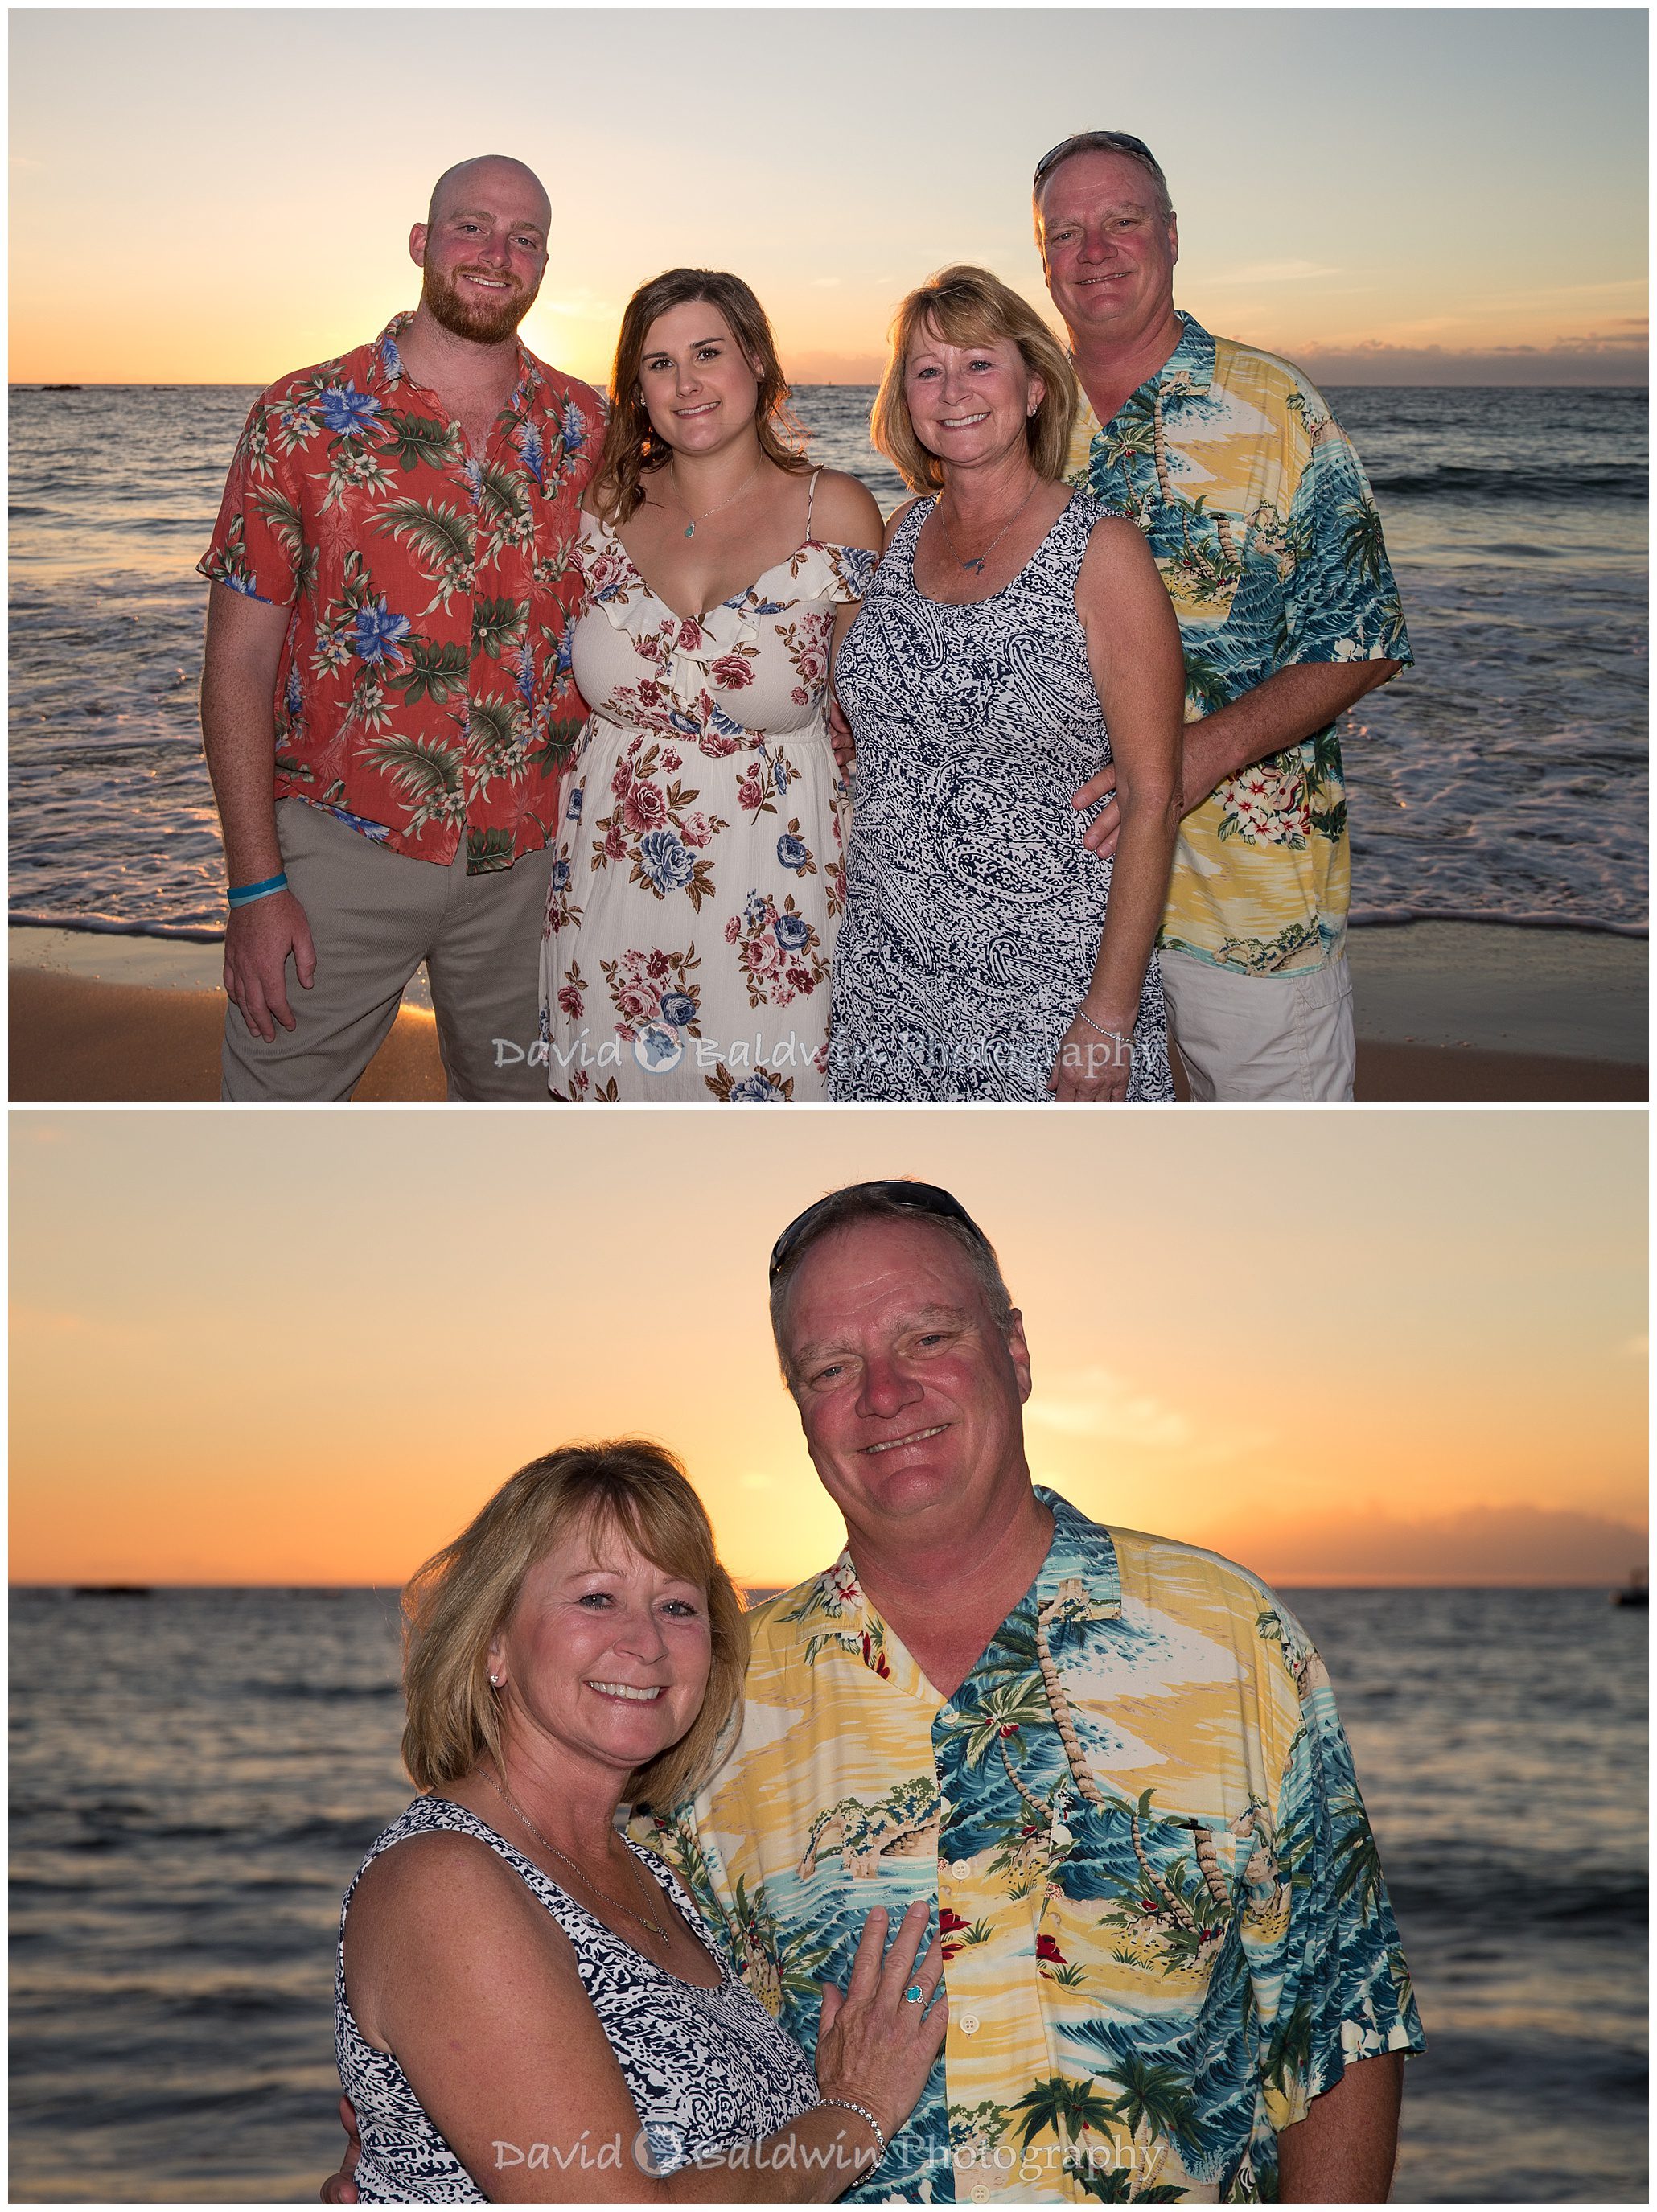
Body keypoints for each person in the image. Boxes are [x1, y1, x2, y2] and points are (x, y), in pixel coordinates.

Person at [638, 1182, 1424, 2201]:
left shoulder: (1227, 1635)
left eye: (926, 1336)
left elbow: (1336, 2016)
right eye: (831, 1366)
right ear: (799, 1409)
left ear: (1013, 1352)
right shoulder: (715, 1692)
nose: (882, 1393)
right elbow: (626, 2041)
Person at [334, 1440, 947, 2201]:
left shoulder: (651, 1875)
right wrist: (857, 2111)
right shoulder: (445, 1881)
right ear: (493, 1641)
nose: (647, 1642)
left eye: (677, 1606)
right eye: (597, 1598)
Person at [199, 155, 603, 1100]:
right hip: (339, 854)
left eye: (525, 238)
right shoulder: (301, 417)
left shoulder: (588, 426)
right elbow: (237, 664)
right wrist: (255, 885)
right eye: (471, 227)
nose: (496, 253)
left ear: (545, 266)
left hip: (534, 870)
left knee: (524, 1142)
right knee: (270, 1128)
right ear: (423, 243)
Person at [1034, 130, 1412, 1101]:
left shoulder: (1274, 407)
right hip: (1059, 901)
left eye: (1120, 221)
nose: (1094, 250)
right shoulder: (1020, 420)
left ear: (1168, 235)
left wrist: (1200, 753)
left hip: (1243, 907)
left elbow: (1359, 640)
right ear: (1041, 259)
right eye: (1065, 232)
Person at [827, 268, 1184, 1104]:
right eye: (926, 370)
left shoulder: (1102, 553)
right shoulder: (901, 528)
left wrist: (1107, 1017)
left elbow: (1153, 793)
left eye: (978, 364)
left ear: (1032, 388)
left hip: (1048, 981)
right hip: (885, 971)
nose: (951, 391)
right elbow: (883, 698)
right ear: (904, 399)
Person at [538, 270, 882, 1100]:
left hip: (777, 897)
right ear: (635, 391)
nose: (685, 384)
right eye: (658, 364)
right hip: (611, 892)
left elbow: (873, 709)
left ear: (757, 361)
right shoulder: (604, 508)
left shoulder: (830, 511)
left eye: (706, 353)